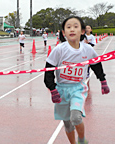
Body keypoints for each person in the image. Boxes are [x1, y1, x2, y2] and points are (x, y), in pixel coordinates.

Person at [44, 16, 110, 144]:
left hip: (78, 88)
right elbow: (48, 71)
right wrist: (52, 89)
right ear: (63, 33)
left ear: (83, 31)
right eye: (68, 27)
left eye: (75, 26)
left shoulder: (88, 49)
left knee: (75, 117)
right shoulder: (59, 50)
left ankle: (81, 140)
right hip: (61, 90)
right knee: (68, 124)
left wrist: (103, 81)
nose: (72, 29)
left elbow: (97, 65)